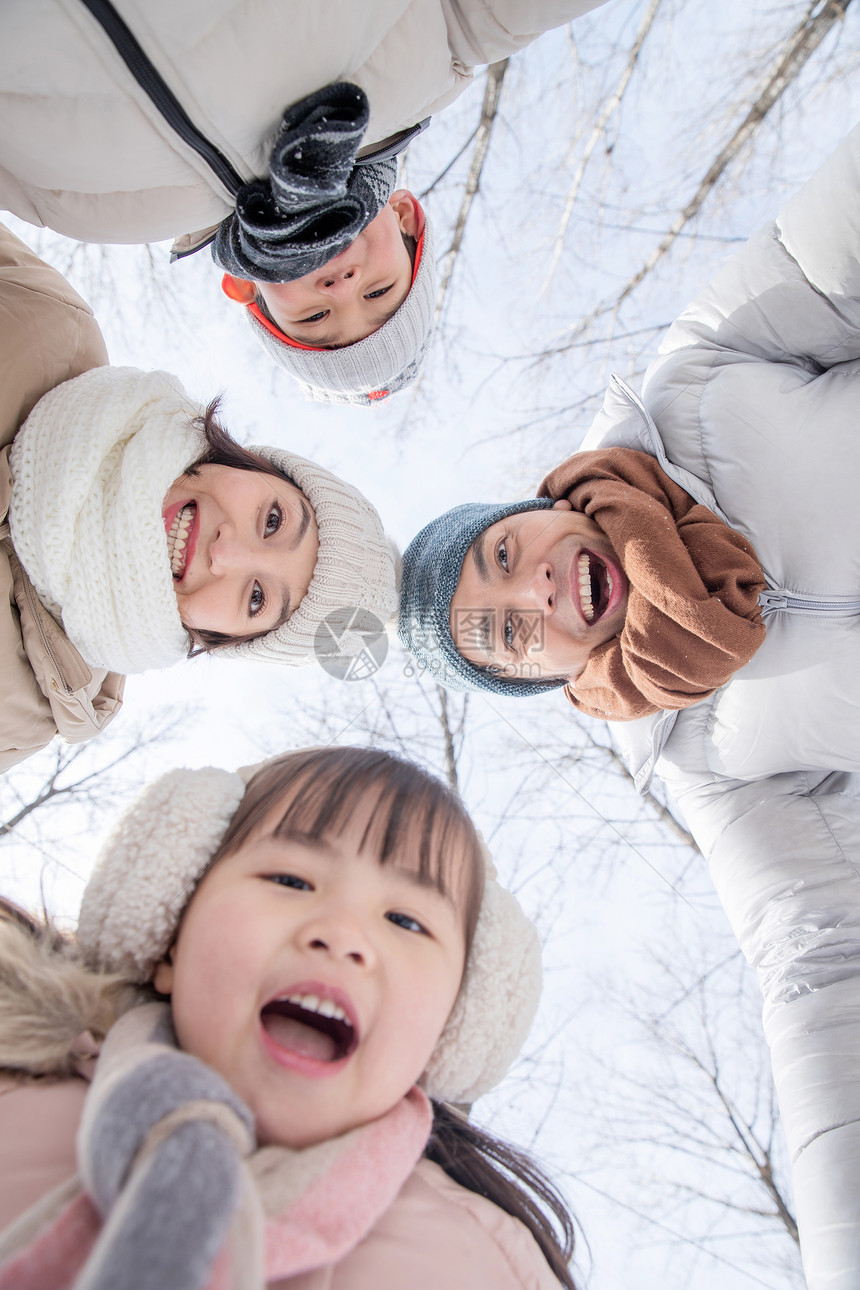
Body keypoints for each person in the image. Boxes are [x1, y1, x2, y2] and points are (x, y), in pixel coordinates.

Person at [399, 124, 860, 1288]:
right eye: (511, 631)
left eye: (506, 550)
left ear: (537, 507)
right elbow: (817, 977)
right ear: (548, 676)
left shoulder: (699, 379)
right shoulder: (712, 756)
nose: (536, 587)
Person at [0, 746, 577, 1290]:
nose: (343, 935)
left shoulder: (483, 1263)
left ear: (452, 1034)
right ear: (168, 937)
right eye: (291, 881)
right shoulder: (16, 1074)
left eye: (405, 920)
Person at [0, 2, 607, 405]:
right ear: (404, 218)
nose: (341, 289)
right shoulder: (438, 42)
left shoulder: (97, 214)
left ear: (249, 295)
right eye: (377, 293)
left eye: (314, 320)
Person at [0, 222, 396, 772]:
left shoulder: (22, 717)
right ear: (249, 463)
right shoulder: (50, 323)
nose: (225, 555)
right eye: (274, 520)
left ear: (224, 637)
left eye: (257, 598)